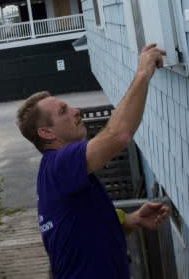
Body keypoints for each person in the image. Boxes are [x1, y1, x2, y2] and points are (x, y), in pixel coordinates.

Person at [16, 44, 170, 279]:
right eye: (63, 111)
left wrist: (132, 220)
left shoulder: (58, 175)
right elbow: (118, 135)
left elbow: (82, 229)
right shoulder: (60, 164)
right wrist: (143, 72)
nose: (76, 111)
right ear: (47, 133)